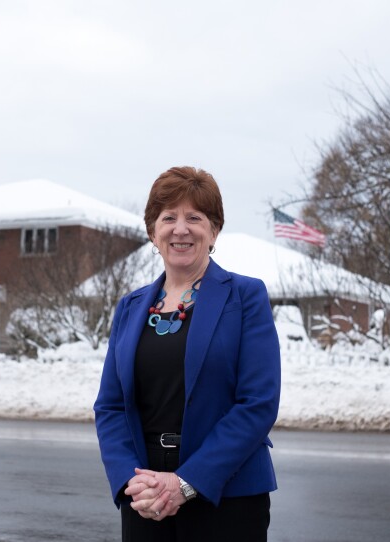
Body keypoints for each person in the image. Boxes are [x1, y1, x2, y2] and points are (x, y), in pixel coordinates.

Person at [94, 166, 281, 541]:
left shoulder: (245, 297)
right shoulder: (130, 307)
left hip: (228, 495)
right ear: (153, 232)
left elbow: (257, 403)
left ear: (213, 231)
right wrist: (132, 483)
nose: (181, 229)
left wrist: (186, 483)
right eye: (169, 218)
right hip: (146, 499)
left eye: (194, 218)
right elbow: (110, 407)